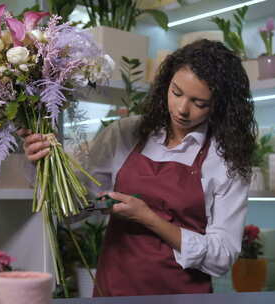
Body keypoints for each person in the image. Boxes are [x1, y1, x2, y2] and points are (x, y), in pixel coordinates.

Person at [20, 39, 257, 297]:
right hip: (114, 290)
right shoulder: (125, 133)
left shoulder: (225, 158)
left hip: (182, 296)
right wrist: (40, 165)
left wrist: (148, 218)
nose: (182, 109)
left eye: (199, 103)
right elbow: (72, 210)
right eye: (176, 92)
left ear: (220, 105)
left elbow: (221, 257)